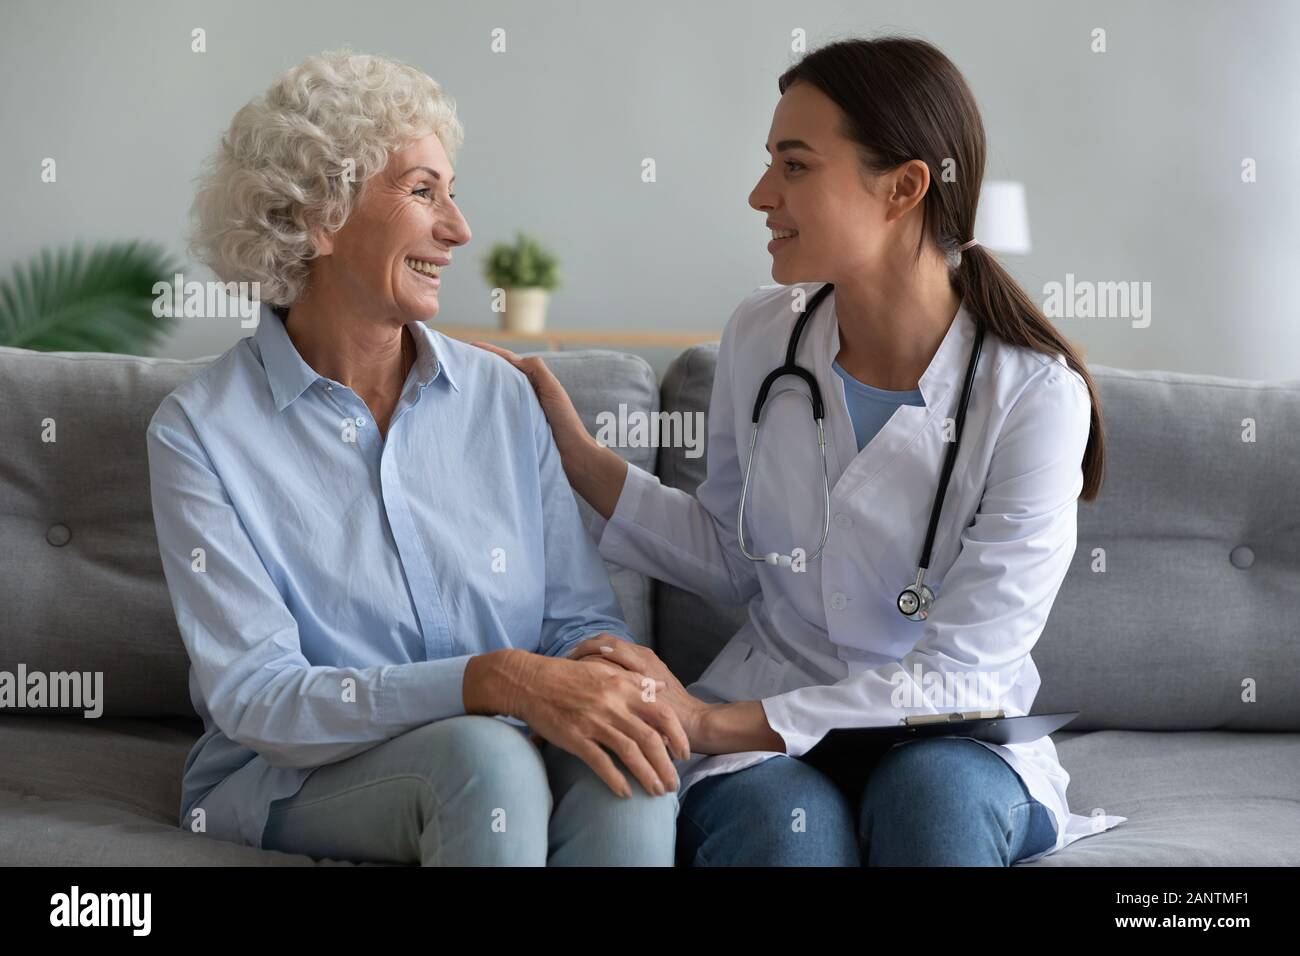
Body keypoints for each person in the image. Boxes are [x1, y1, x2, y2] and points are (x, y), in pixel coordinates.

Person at [477, 36, 1128, 866]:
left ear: (903, 188)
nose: (759, 194)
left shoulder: (1036, 398)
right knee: (783, 830)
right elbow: (733, 553)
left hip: (952, 732)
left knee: (931, 799)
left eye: (794, 166)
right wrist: (574, 452)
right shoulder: (763, 331)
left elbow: (960, 670)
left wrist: (710, 723)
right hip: (776, 693)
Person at [146, 49, 682, 866]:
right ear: (317, 215)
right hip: (294, 774)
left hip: (506, 744)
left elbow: (576, 617)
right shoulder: (200, 432)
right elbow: (260, 700)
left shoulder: (501, 399)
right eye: (422, 191)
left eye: (452, 194)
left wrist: (602, 665)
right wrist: (491, 680)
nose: (459, 230)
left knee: (635, 776)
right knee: (484, 762)